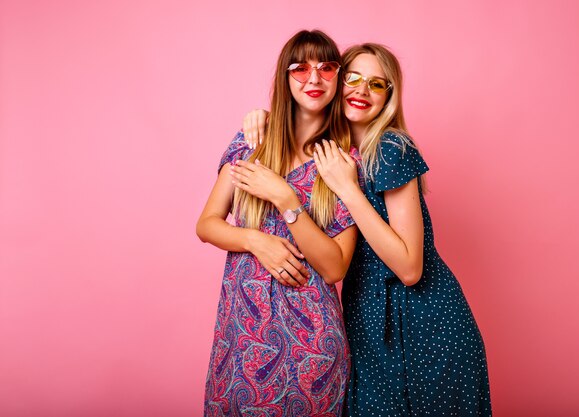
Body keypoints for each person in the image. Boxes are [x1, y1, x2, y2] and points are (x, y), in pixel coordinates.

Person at [243, 43, 492, 416]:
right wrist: (265, 116)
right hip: (366, 321)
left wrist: (347, 188)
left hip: (424, 322)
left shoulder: (390, 147)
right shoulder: (332, 150)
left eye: (376, 84)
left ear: (389, 97)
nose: (361, 90)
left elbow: (410, 269)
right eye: (353, 78)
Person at [196, 30, 359, 416]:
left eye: (327, 67)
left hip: (312, 350)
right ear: (285, 80)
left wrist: (287, 200)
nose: (314, 79)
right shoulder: (253, 142)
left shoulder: (341, 162)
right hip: (239, 338)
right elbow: (206, 224)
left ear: (338, 77)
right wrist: (255, 240)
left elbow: (335, 266)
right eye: (300, 68)